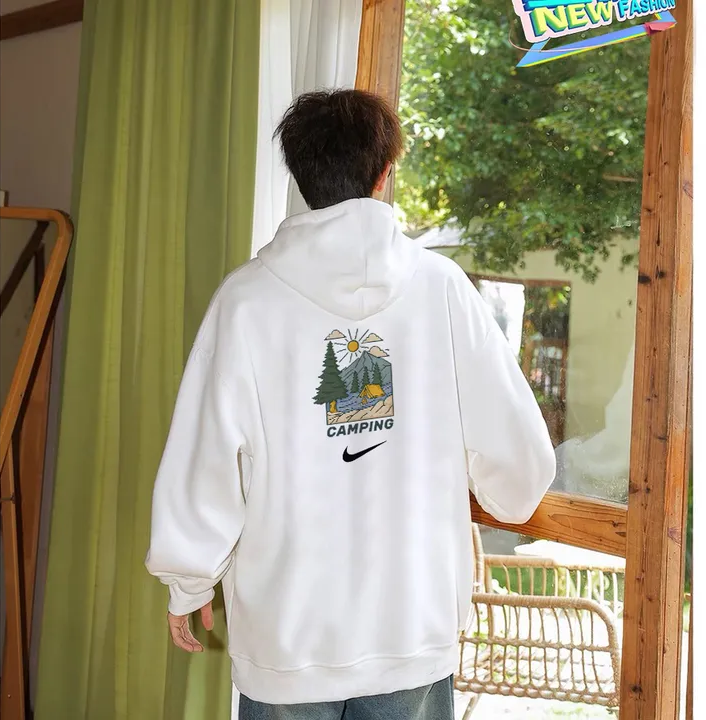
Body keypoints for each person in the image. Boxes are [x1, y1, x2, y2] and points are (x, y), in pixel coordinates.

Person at [146, 89, 556, 720]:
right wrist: (508, 496)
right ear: (384, 173)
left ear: (301, 176)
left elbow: (206, 456)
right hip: (410, 624)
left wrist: (189, 577)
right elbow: (516, 452)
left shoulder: (246, 302)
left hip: (287, 632)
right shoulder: (442, 289)